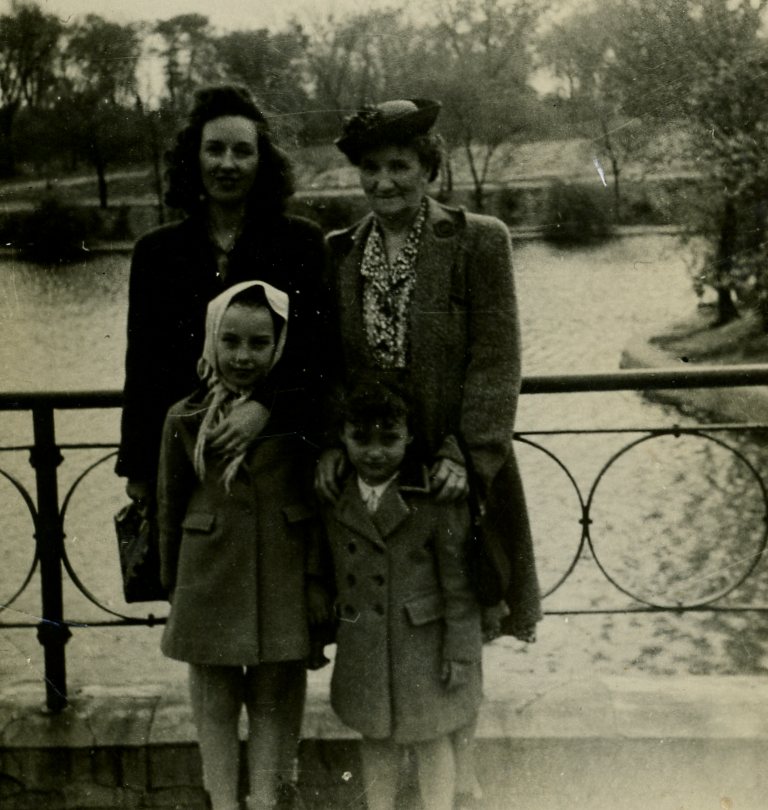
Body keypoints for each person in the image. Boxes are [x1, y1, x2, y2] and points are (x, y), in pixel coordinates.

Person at [315, 98, 542, 807]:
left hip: (451, 463)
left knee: (461, 603)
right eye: (371, 168)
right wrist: (337, 442)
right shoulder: (339, 251)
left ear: (430, 170)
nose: (384, 182)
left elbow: (496, 359)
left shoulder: (477, 241)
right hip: (377, 460)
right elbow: (332, 366)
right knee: (395, 612)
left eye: (400, 166)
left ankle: (460, 778)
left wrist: (467, 454)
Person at [157, 281, 328, 810]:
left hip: (282, 571)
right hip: (208, 575)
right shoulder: (185, 416)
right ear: (212, 340)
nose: (242, 357)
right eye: (229, 341)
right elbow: (169, 507)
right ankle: (223, 801)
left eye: (259, 343)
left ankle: (267, 799)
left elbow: (318, 505)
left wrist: (316, 581)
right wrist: (174, 586)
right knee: (214, 701)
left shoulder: (296, 417)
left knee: (278, 700)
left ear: (280, 346)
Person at [116, 83, 327, 512]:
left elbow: (318, 351)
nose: (227, 164)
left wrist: (265, 407)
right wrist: (139, 469)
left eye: (242, 151)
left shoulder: (301, 243)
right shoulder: (156, 252)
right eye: (214, 149)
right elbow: (143, 367)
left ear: (262, 161)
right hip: (188, 459)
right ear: (194, 157)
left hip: (278, 455)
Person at [322, 374, 482, 810]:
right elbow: (325, 569)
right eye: (361, 438)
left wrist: (461, 652)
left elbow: (459, 586)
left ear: (409, 436)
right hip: (364, 646)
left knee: (431, 739)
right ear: (342, 437)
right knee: (375, 738)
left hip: (423, 646)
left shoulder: (432, 497)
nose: (374, 452)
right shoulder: (336, 495)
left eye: (389, 438)